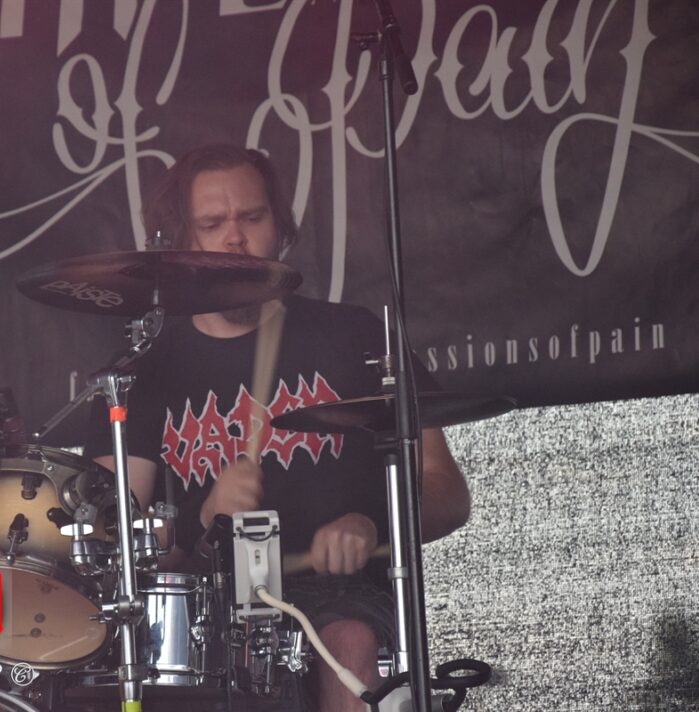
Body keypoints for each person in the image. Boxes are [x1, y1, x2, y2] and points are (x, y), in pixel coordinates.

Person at [84, 143, 469, 712]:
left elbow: (447, 493)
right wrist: (201, 518)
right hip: (205, 603)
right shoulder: (144, 370)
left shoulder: (356, 337)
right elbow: (109, 538)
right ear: (181, 241)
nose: (234, 238)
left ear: (280, 227)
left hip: (342, 593)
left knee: (348, 642)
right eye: (212, 224)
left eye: (252, 217)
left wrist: (373, 522)